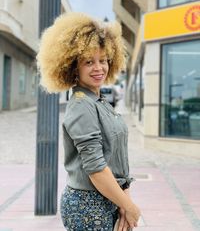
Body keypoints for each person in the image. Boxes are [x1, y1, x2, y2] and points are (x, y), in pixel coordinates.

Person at [36, 12, 141, 231]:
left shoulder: (99, 101)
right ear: (73, 66)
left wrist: (123, 200)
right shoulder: (82, 105)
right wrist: (129, 206)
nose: (98, 68)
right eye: (88, 62)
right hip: (88, 207)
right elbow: (95, 168)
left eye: (102, 60)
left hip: (110, 199)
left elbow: (116, 158)